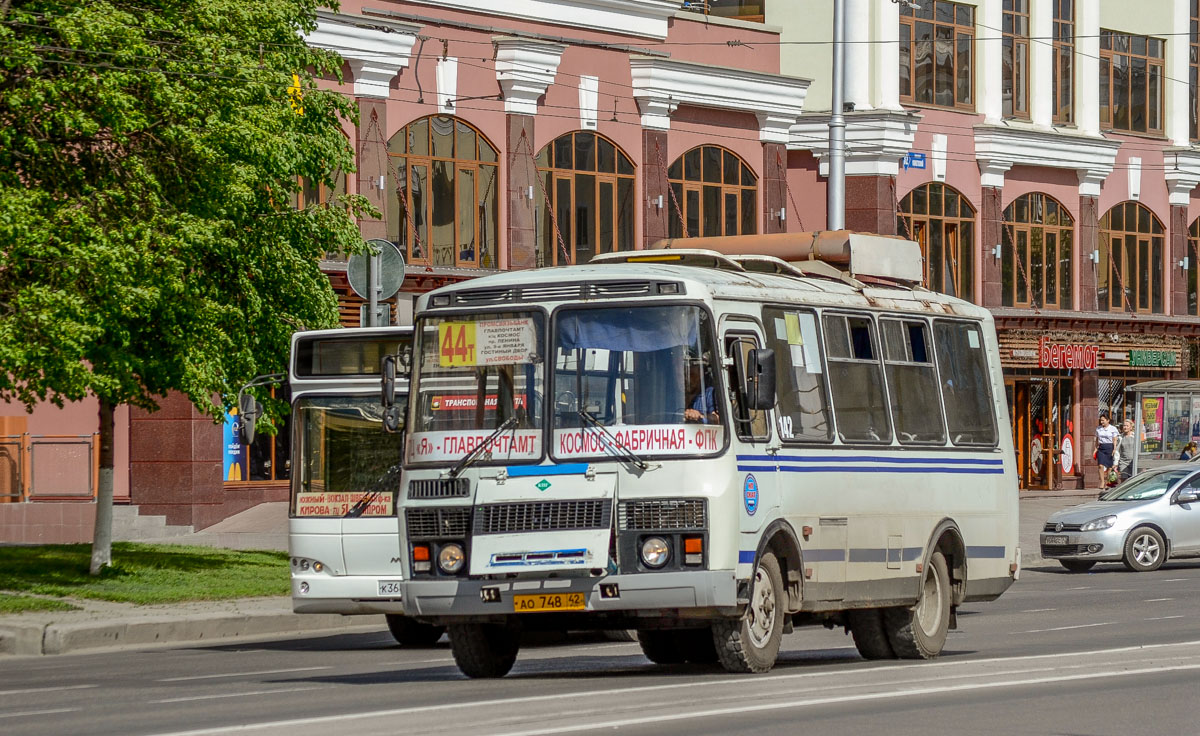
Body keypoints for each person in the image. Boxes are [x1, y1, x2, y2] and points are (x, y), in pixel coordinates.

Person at [1095, 414, 1119, 489]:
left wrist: (1114, 449)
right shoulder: (1098, 429)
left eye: (1103, 420)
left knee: (1109, 467)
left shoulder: (1113, 428)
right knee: (1100, 465)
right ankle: (1102, 481)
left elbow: (1114, 439)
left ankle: (1107, 482)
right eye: (1101, 420)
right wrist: (1095, 449)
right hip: (1101, 447)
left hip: (1109, 447)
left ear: (1108, 420)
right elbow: (1096, 440)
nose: (1101, 422)